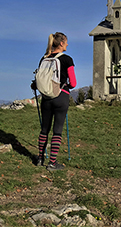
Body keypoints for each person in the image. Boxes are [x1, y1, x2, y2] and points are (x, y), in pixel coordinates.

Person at [32, 32, 76, 171]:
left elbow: (38, 80)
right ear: (61, 43)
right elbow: (73, 83)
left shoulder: (43, 59)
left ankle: (40, 158)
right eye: (66, 42)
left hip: (45, 98)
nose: (68, 44)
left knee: (44, 129)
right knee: (57, 131)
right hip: (60, 96)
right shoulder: (67, 59)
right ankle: (52, 163)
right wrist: (66, 87)